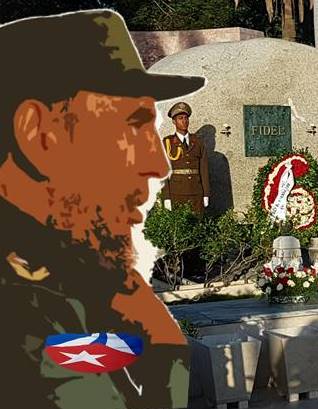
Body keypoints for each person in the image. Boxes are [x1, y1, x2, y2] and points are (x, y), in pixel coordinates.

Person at [0, 10, 204, 408]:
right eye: (132, 125)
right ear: (39, 136)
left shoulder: (69, 269)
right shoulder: (22, 304)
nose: (158, 163)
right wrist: (165, 347)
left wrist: (159, 340)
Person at [161, 101, 210, 215]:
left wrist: (206, 194)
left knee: (197, 227)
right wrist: (166, 197)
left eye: (186, 118)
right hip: (176, 193)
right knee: (178, 228)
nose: (184, 121)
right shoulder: (167, 143)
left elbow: (204, 170)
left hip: (196, 193)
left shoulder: (198, 142)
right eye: (180, 118)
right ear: (174, 121)